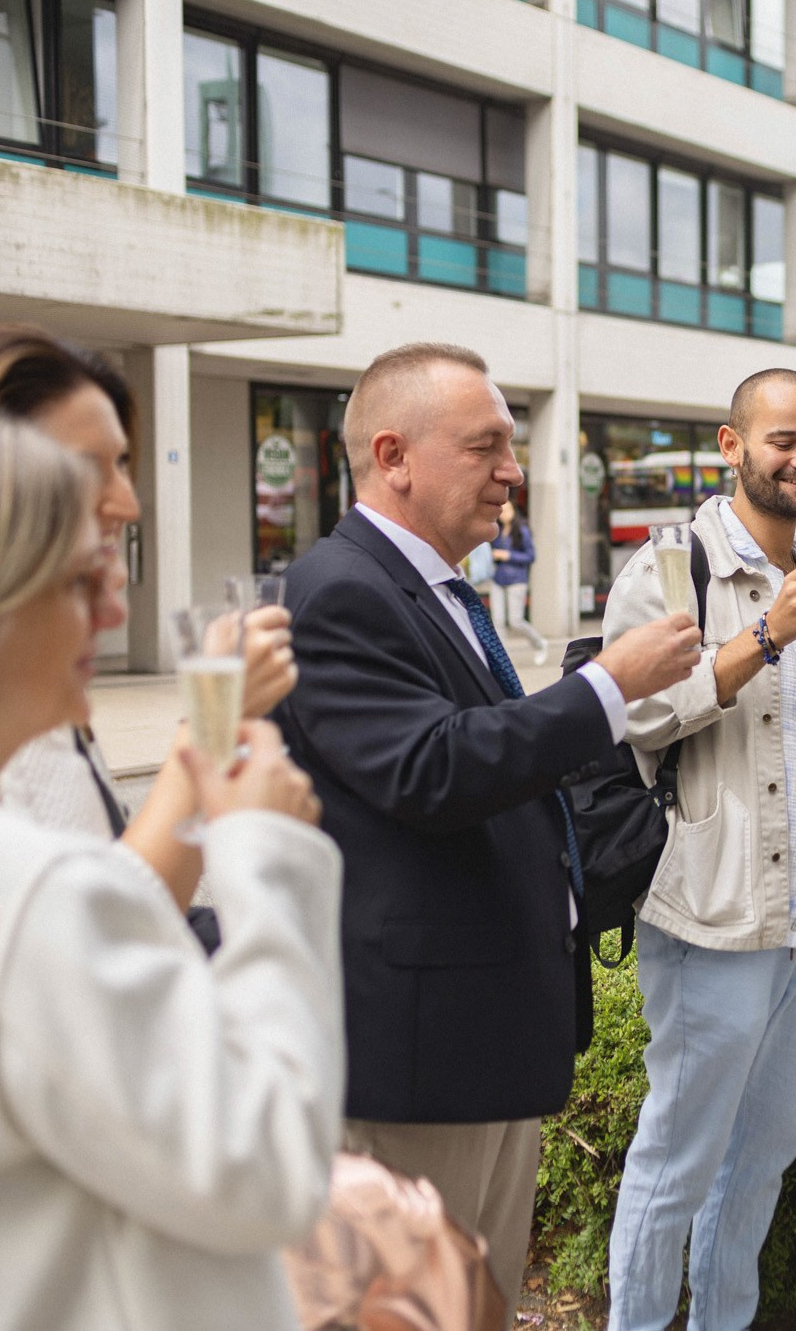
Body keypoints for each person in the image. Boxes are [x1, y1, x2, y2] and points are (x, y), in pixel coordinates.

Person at [0, 408, 341, 1328]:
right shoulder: (20, 894)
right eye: (76, 578)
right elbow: (268, 1166)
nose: (111, 608)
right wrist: (268, 859)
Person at [273, 343, 701, 1317]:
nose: (513, 471)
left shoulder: (436, 589)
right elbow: (435, 767)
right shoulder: (340, 589)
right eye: (485, 447)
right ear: (393, 455)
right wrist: (608, 684)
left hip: (484, 1042)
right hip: (416, 1067)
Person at [600, 368, 796, 1330]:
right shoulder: (668, 568)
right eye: (783, 441)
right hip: (713, 909)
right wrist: (767, 633)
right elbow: (634, 715)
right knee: (677, 1158)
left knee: (762, 1157)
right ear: (733, 446)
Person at [0, 324, 298, 919]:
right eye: (88, 468)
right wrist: (218, 724)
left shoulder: (27, 681)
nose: (128, 504)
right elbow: (109, 935)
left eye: (123, 463)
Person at [488, 499, 549, 665]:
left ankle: (539, 642)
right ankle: (503, 660)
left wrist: (508, 555)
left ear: (514, 511)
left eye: (507, 510)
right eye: (501, 510)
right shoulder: (497, 531)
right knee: (498, 622)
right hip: (498, 579)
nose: (504, 514)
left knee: (516, 621)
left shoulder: (522, 530)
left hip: (516, 580)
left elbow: (531, 556)